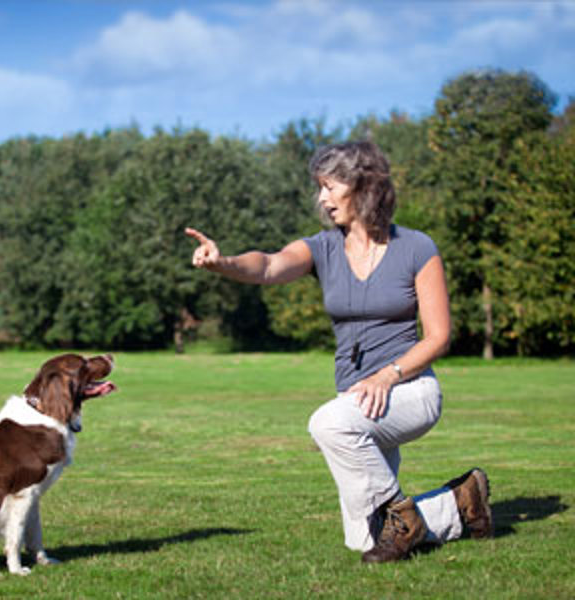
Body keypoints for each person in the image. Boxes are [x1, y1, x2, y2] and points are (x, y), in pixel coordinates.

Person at [185, 141, 492, 563]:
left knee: (327, 423)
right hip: (357, 400)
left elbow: (438, 337)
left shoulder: (417, 248)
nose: (322, 199)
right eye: (319, 189)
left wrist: (389, 374)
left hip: (408, 390)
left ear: (364, 185)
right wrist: (225, 263)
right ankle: (462, 502)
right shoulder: (324, 249)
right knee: (365, 541)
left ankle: (403, 518)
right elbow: (271, 265)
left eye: (330, 187)